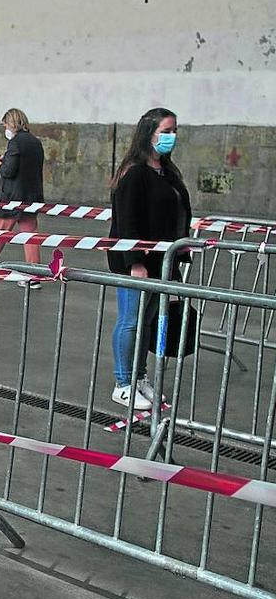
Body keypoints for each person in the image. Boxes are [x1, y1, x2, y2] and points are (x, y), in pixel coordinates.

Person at [107, 107, 191, 411]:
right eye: (166, 131)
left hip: (163, 261)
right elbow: (127, 222)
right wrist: (135, 262)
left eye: (174, 131)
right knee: (131, 320)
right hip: (138, 262)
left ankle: (139, 376)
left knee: (148, 320)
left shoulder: (167, 172)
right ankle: (122, 383)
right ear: (149, 134)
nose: (172, 137)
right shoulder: (134, 173)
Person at [0, 108, 45, 267]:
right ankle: (34, 272)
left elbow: (8, 171)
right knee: (31, 237)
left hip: (12, 197)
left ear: (11, 124)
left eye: (5, 126)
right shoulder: (35, 142)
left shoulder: (15, 142)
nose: (5, 129)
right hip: (32, 197)